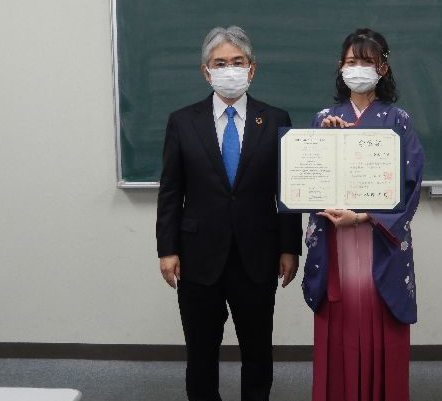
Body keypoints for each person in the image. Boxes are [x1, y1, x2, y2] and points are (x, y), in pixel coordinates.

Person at [156, 26, 302, 401]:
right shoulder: (182, 121)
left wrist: (290, 247)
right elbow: (171, 191)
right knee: (201, 350)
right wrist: (167, 249)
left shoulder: (275, 119)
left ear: (252, 68)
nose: (229, 70)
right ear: (206, 72)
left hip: (257, 253)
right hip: (198, 255)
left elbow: (288, 190)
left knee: (258, 348)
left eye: (237, 62)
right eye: (220, 63)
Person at [301, 28, 424, 401]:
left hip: (377, 236)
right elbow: (307, 178)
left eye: (367, 62)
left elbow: (411, 183)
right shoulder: (325, 119)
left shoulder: (398, 120)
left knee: (380, 321)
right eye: (351, 61)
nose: (358, 69)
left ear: (383, 68)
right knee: (340, 327)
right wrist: (326, 141)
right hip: (336, 237)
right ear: (340, 67)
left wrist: (364, 215)